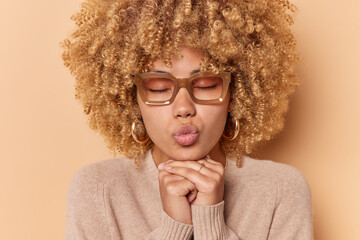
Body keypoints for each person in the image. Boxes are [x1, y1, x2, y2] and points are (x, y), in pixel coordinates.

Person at [62, 0, 313, 239]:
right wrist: (175, 228)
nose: (183, 108)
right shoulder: (98, 190)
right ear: (132, 99)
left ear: (235, 94)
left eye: (205, 85)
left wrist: (210, 221)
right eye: (159, 88)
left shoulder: (280, 190)